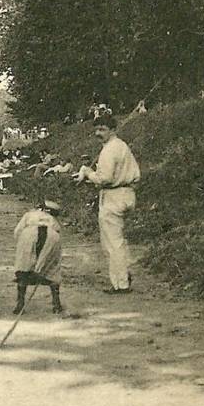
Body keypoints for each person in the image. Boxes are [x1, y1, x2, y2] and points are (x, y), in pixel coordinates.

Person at [75, 111, 140, 293]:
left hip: (113, 197)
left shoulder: (109, 149)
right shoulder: (122, 146)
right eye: (96, 130)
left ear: (112, 129)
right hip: (127, 194)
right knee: (120, 239)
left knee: (112, 242)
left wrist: (87, 173)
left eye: (102, 129)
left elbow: (105, 179)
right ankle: (124, 275)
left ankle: (120, 284)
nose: (98, 134)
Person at [13, 200, 65, 315]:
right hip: (52, 236)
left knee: (24, 266)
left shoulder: (29, 215)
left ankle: (20, 304)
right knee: (52, 267)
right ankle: (56, 304)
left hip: (30, 234)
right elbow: (59, 233)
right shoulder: (54, 220)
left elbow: (17, 232)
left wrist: (22, 244)